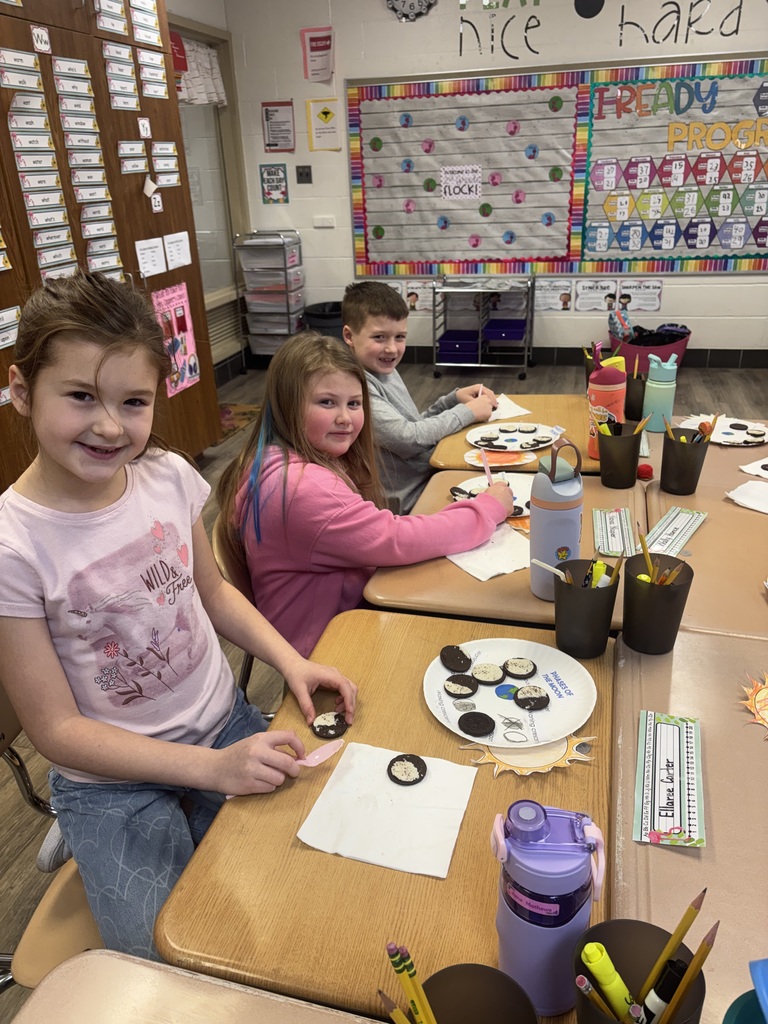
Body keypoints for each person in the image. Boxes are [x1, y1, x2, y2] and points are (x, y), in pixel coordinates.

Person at [0, 272, 356, 961]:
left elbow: (215, 593)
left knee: (304, 891)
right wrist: (211, 771)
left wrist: (293, 661)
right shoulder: (15, 545)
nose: (110, 426)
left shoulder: (163, 474)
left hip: (222, 724)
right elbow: (56, 731)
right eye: (80, 397)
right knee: (177, 958)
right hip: (112, 785)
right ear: (21, 390)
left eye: (133, 402)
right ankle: (79, 829)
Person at [216, 332, 515, 658]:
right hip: (330, 644)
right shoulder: (302, 489)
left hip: (343, 615)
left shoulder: (283, 459)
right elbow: (396, 539)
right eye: (326, 402)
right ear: (287, 405)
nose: (345, 418)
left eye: (354, 404)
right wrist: (487, 508)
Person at [341, 280, 499, 513]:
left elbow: (413, 425)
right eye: (379, 337)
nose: (392, 349)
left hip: (426, 477)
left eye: (400, 337)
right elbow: (409, 440)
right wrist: (467, 412)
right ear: (349, 335)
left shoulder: (385, 370)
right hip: (406, 503)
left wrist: (452, 400)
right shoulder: (356, 386)